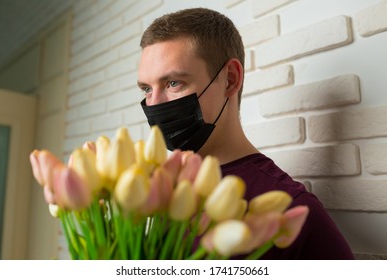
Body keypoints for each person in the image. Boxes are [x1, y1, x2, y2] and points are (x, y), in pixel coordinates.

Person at [137, 7, 354, 259]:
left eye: (173, 83)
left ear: (230, 79)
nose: (154, 105)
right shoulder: (158, 190)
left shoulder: (291, 210)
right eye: (146, 89)